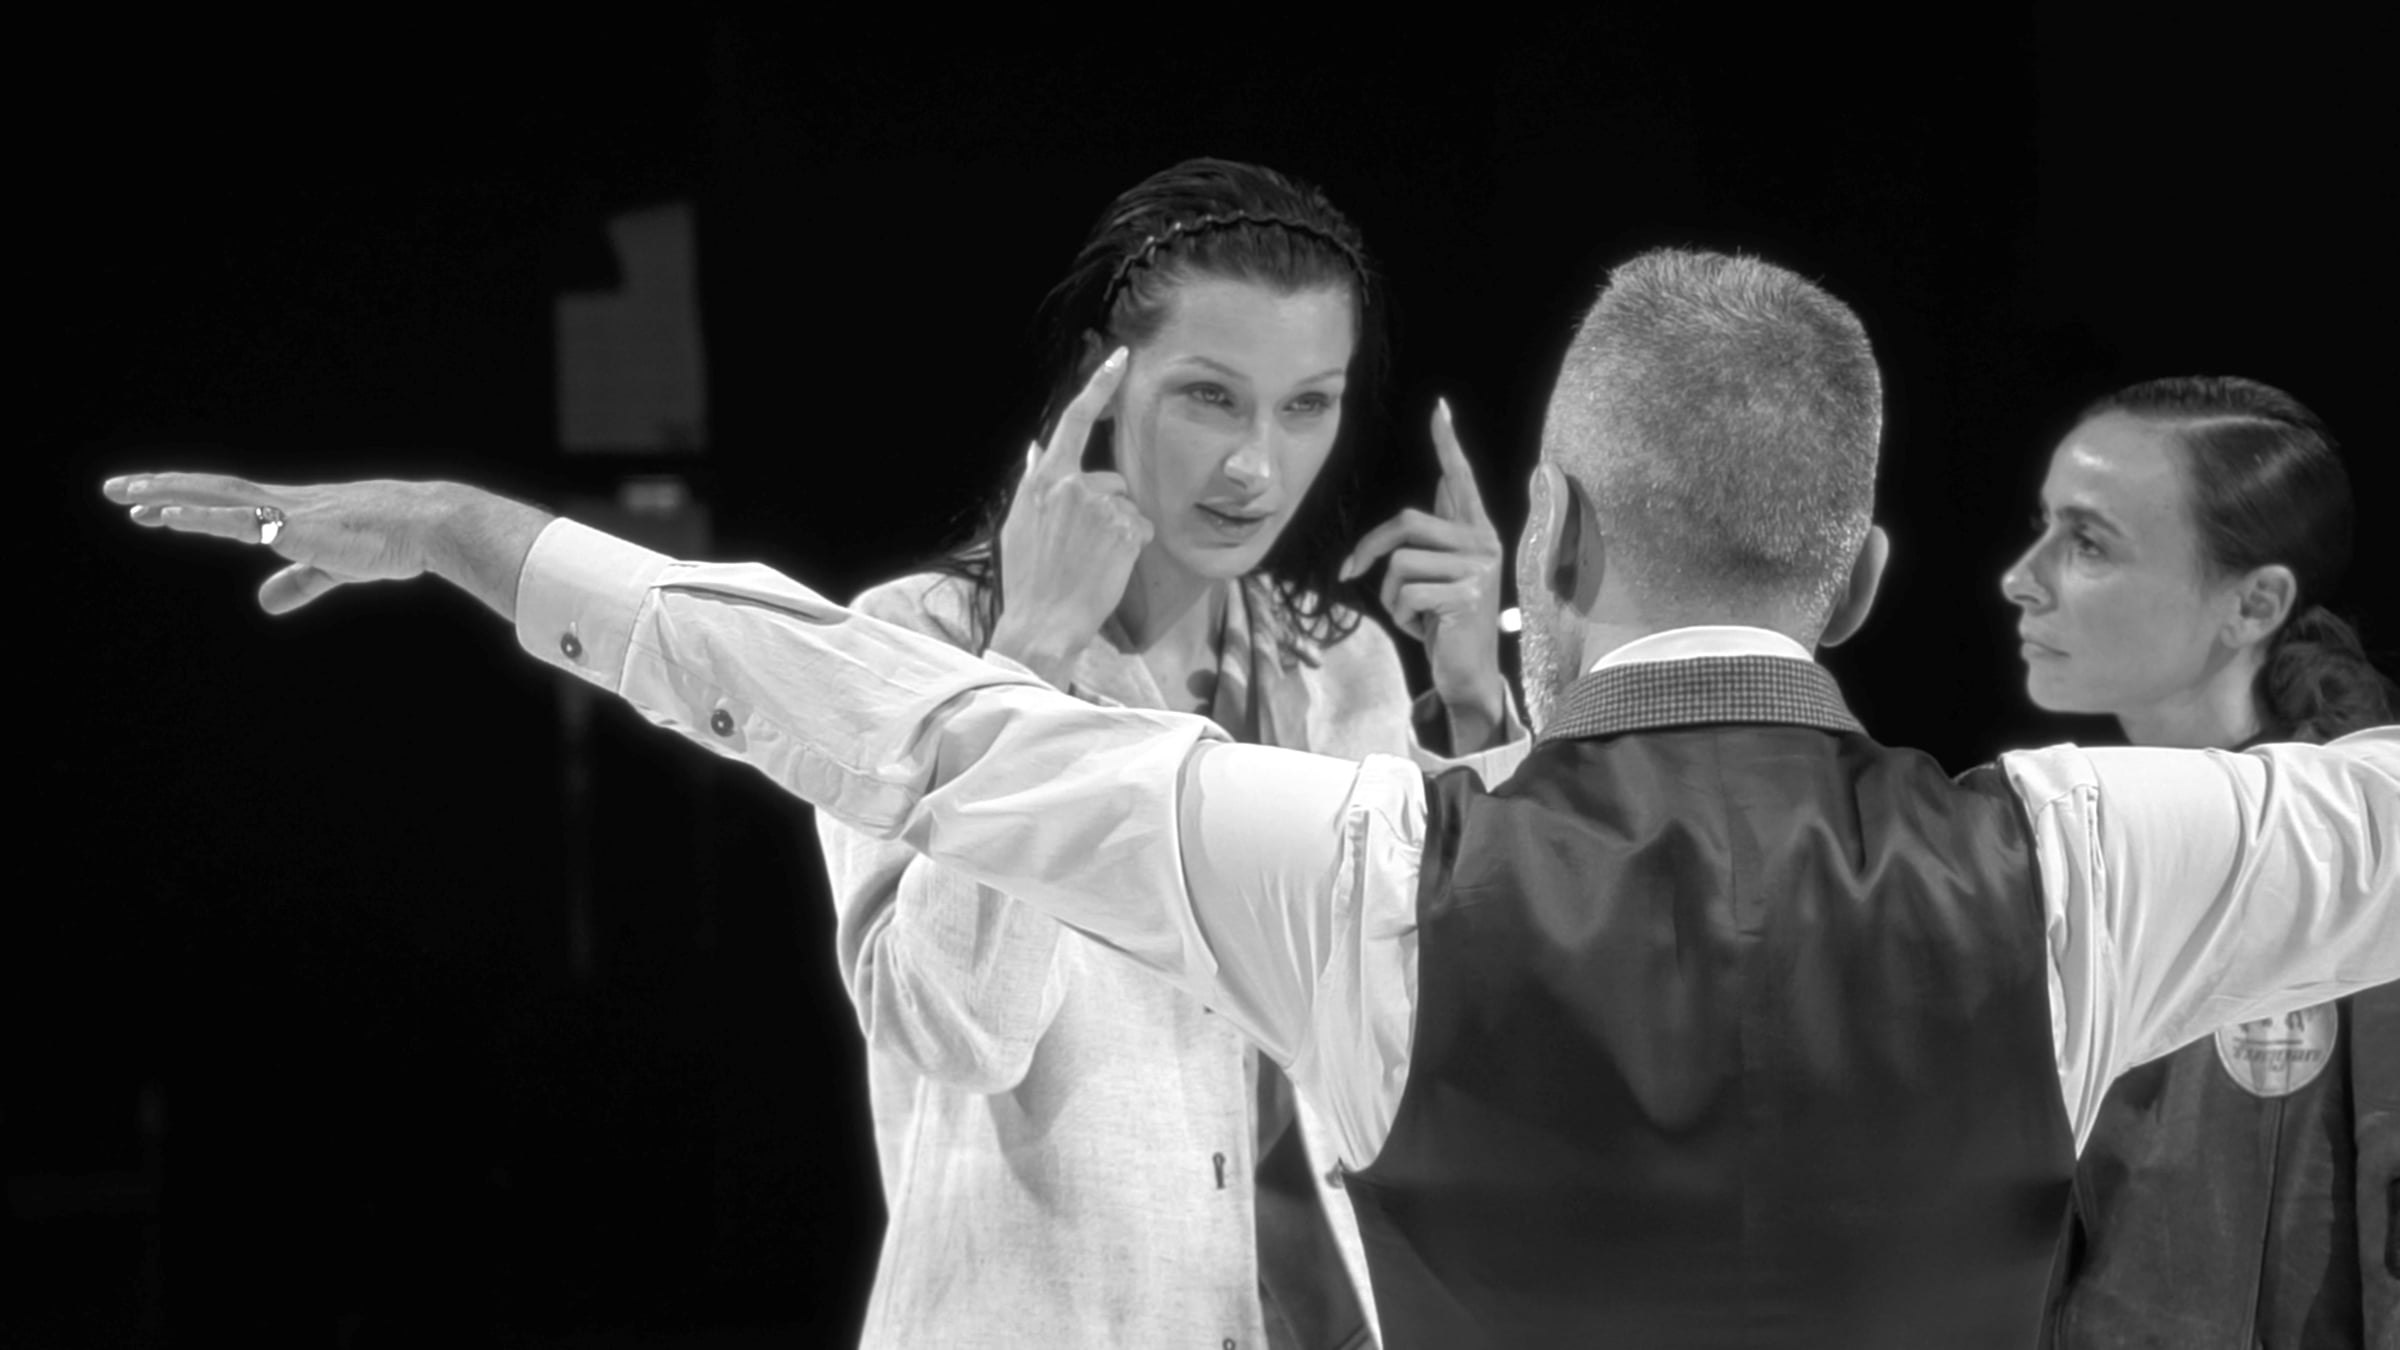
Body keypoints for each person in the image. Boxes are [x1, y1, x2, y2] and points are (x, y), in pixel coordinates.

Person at [103, 248, 2399, 1349]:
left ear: (1552, 539)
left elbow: (895, 724)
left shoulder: (1364, 859)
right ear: (1866, 571)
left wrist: (469, 529)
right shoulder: (2095, 864)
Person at [811, 158, 1523, 1350]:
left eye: (1307, 405)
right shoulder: (915, 644)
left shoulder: (1344, 662)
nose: (1257, 466)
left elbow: (1467, 1035)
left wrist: (1475, 713)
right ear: (1104, 375)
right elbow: (953, 1030)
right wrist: (1029, 666)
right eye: (1210, 396)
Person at [2003, 376, 2400, 1349]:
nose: (2021, 578)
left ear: (2254, 603)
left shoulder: (2365, 869)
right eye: (2043, 527)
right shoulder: (2058, 853)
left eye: (2088, 543)